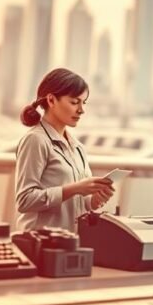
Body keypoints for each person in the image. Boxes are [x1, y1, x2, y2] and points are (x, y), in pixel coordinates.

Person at [14, 68, 114, 233]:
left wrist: (95, 200)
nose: (81, 110)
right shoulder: (35, 140)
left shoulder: (77, 147)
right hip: (40, 242)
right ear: (52, 100)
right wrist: (75, 188)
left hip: (71, 242)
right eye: (74, 102)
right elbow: (25, 201)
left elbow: (78, 203)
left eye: (83, 103)